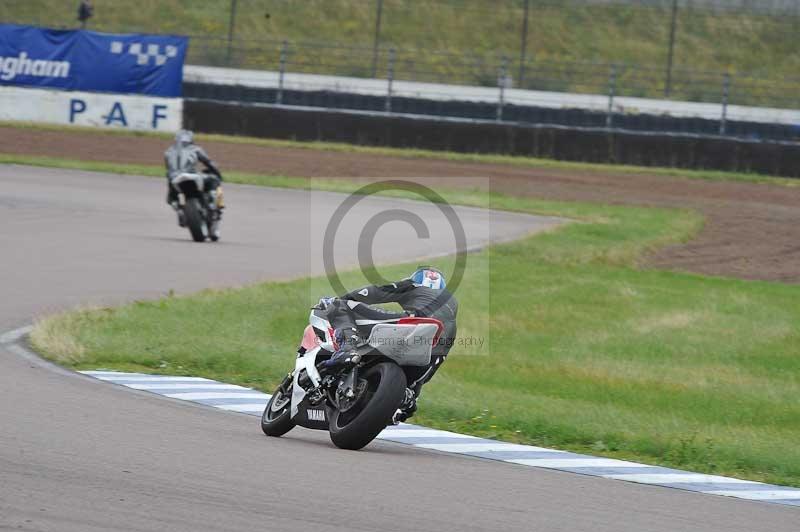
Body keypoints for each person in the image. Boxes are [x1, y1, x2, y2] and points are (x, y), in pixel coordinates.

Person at [324, 266, 458, 423]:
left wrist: (346, 297)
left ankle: (347, 348)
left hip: (413, 322)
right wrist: (413, 392)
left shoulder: (412, 284)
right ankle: (408, 398)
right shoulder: (452, 305)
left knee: (338, 305)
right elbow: (435, 362)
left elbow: (375, 292)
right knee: (422, 374)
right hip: (428, 353)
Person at [164, 130, 223, 226]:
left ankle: (179, 209)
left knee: (171, 198)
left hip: (174, 180)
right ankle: (215, 205)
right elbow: (208, 162)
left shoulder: (168, 152)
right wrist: (218, 173)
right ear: (191, 140)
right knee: (214, 180)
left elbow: (169, 170)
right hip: (192, 176)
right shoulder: (195, 149)